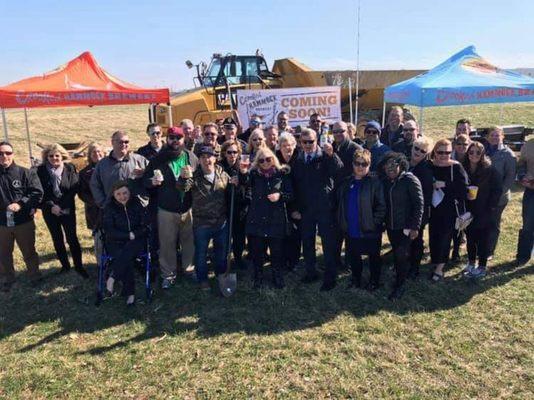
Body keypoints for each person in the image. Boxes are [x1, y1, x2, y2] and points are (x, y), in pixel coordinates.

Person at [144, 127, 198, 289]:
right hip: (166, 210)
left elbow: (198, 177)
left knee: (189, 242)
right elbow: (145, 181)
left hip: (187, 208)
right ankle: (168, 275)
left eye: (178, 138)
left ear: (183, 140)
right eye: (172, 137)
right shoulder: (159, 159)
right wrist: (152, 182)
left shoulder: (189, 156)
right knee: (167, 244)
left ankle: (189, 270)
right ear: (167, 140)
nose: (175, 141)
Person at [291, 128, 343, 291]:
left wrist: (332, 155)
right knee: (307, 242)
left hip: (324, 207)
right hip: (306, 209)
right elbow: (295, 186)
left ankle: (330, 277)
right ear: (300, 143)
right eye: (304, 142)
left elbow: (339, 170)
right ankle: (311, 272)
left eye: (311, 141)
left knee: (328, 243)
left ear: (316, 140)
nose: (307, 145)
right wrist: (295, 207)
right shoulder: (298, 160)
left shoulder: (325, 156)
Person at [178, 146, 233, 290]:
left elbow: (230, 189)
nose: (206, 160)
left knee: (221, 252)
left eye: (209, 157)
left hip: (221, 222)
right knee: (201, 253)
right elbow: (183, 187)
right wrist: (183, 178)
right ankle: (203, 279)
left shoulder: (222, 174)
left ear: (215, 159)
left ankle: (221, 275)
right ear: (199, 160)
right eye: (203, 157)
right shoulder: (193, 176)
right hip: (202, 224)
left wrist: (236, 182)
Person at [241, 147, 293, 288]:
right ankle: (258, 275)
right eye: (261, 160)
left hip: (276, 218)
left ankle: (277, 275)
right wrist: (243, 173)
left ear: (273, 159)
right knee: (257, 250)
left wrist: (279, 196)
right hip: (257, 217)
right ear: (257, 162)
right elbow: (245, 185)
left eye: (268, 159)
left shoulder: (282, 174)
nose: (265, 163)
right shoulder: (253, 174)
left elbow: (290, 194)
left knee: (276, 250)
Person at [336, 149, 385, 291]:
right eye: (358, 163)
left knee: (374, 257)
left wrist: (374, 223)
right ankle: (356, 279)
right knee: (354, 256)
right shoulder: (347, 183)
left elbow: (381, 206)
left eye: (365, 164)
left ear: (369, 165)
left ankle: (374, 281)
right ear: (353, 164)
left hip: (370, 229)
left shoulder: (375, 183)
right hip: (351, 228)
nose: (361, 167)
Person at [36, 144, 88, 278]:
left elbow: (74, 189)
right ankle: (65, 266)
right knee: (57, 238)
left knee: (72, 238)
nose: (54, 158)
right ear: (46, 157)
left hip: (67, 209)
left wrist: (61, 206)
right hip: (49, 210)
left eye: (57, 155)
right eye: (51, 156)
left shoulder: (70, 168)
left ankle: (79, 266)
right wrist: (52, 206)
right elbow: (40, 191)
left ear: (62, 156)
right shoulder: (40, 170)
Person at [379, 152, 424, 299]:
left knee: (401, 255)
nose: (390, 168)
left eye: (394, 165)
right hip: (392, 226)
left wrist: (415, 226)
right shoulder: (386, 181)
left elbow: (419, 204)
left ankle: (400, 285)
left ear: (401, 165)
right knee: (398, 254)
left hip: (406, 226)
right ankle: (402, 275)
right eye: (387, 166)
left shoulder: (410, 179)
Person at [0, 142, 43, 292]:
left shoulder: (25, 173)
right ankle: (7, 279)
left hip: (23, 221)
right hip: (2, 223)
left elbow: (36, 192)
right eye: (1, 153)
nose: (4, 156)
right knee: (3, 253)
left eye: (7, 153)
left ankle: (35, 276)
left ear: (13, 154)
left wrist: (21, 204)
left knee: (29, 251)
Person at [103, 181, 148, 307]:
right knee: (125, 257)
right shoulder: (109, 208)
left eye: (125, 193)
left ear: (129, 192)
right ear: (113, 195)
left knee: (127, 253)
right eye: (118, 194)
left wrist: (135, 234)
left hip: (136, 240)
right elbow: (109, 230)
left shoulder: (137, 204)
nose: (122, 196)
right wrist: (126, 235)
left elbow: (145, 225)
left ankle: (112, 278)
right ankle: (131, 294)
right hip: (115, 242)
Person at [429, 139, 468, 281]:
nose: (444, 155)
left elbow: (464, 190)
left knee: (445, 237)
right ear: (434, 152)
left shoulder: (456, 167)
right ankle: (435, 260)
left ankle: (440, 268)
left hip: (450, 209)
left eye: (448, 152)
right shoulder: (430, 165)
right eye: (440, 152)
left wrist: (445, 184)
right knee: (434, 235)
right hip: (433, 208)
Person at [462, 142, 502, 278]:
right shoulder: (463, 167)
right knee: (470, 237)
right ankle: (471, 262)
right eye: (471, 152)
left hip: (484, 210)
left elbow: (498, 189)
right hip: (469, 209)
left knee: (483, 239)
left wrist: (491, 206)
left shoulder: (489, 169)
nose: (474, 155)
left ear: (483, 154)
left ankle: (482, 266)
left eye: (478, 152)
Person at [90, 130, 148, 208]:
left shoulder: (140, 160)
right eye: (120, 142)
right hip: (112, 209)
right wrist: (103, 203)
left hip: (138, 208)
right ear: (112, 143)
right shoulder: (102, 165)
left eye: (126, 142)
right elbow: (95, 185)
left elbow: (153, 177)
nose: (124, 144)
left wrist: (144, 200)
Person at [486, 126, 516, 258]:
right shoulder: (483, 151)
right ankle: (480, 246)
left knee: (493, 223)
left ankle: (489, 251)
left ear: (502, 136)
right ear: (487, 137)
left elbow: (510, 178)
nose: (494, 138)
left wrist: (497, 194)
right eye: (492, 135)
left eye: (497, 135)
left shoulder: (508, 154)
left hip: (499, 197)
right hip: (483, 195)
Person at [219, 139, 248, 270]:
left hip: (239, 208)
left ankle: (238, 258)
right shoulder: (219, 167)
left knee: (239, 237)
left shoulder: (242, 167)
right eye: (229, 152)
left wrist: (240, 183)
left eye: (235, 152)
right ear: (224, 153)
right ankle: (223, 260)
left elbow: (248, 185)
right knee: (224, 238)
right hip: (223, 208)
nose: (232, 155)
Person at [408, 136, 434, 278]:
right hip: (404, 208)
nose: (418, 152)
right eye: (416, 148)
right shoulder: (406, 163)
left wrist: (420, 217)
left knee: (416, 240)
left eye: (422, 151)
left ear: (427, 154)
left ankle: (414, 268)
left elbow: (426, 197)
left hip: (418, 211)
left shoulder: (425, 170)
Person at [276, 133, 301, 271]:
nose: (287, 148)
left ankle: (294, 261)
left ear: (294, 145)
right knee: (282, 235)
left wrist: (297, 209)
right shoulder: (274, 160)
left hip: (296, 204)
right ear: (280, 147)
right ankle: (283, 260)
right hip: (279, 204)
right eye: (284, 146)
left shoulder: (300, 160)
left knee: (295, 235)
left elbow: (304, 188)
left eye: (290, 145)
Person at [78, 142, 106, 263]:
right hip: (95, 209)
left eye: (99, 151)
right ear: (89, 155)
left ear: (104, 153)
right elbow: (82, 192)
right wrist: (96, 202)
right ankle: (101, 264)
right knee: (99, 238)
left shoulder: (110, 167)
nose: (97, 154)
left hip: (112, 207)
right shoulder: (84, 173)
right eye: (94, 152)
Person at [450, 134, 471, 260]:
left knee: (465, 223)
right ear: (454, 145)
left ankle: (462, 250)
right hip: (454, 195)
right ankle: (455, 250)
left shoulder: (473, 157)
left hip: (469, 196)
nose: (462, 147)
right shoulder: (449, 157)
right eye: (459, 144)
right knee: (456, 224)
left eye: (465, 144)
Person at [516, 138, 534, 265]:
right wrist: (522, 176)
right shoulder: (529, 145)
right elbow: (521, 164)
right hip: (531, 191)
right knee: (527, 224)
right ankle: (523, 256)